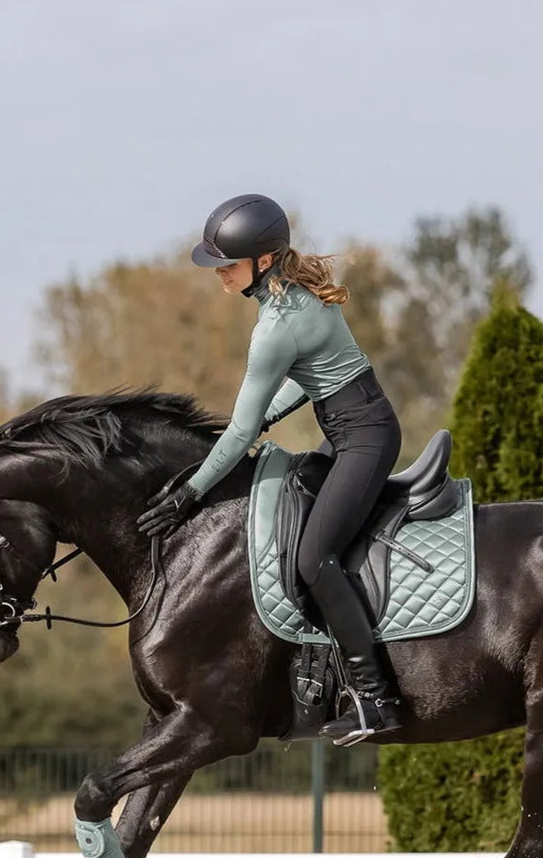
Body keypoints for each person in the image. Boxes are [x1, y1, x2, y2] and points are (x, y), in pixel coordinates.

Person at [137, 194, 403, 744]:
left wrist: (190, 492)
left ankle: (377, 699)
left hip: (365, 440)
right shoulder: (294, 296)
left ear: (262, 261)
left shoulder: (277, 325)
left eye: (227, 264)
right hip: (353, 431)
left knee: (314, 560)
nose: (219, 274)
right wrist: (255, 421)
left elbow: (239, 433)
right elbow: (307, 383)